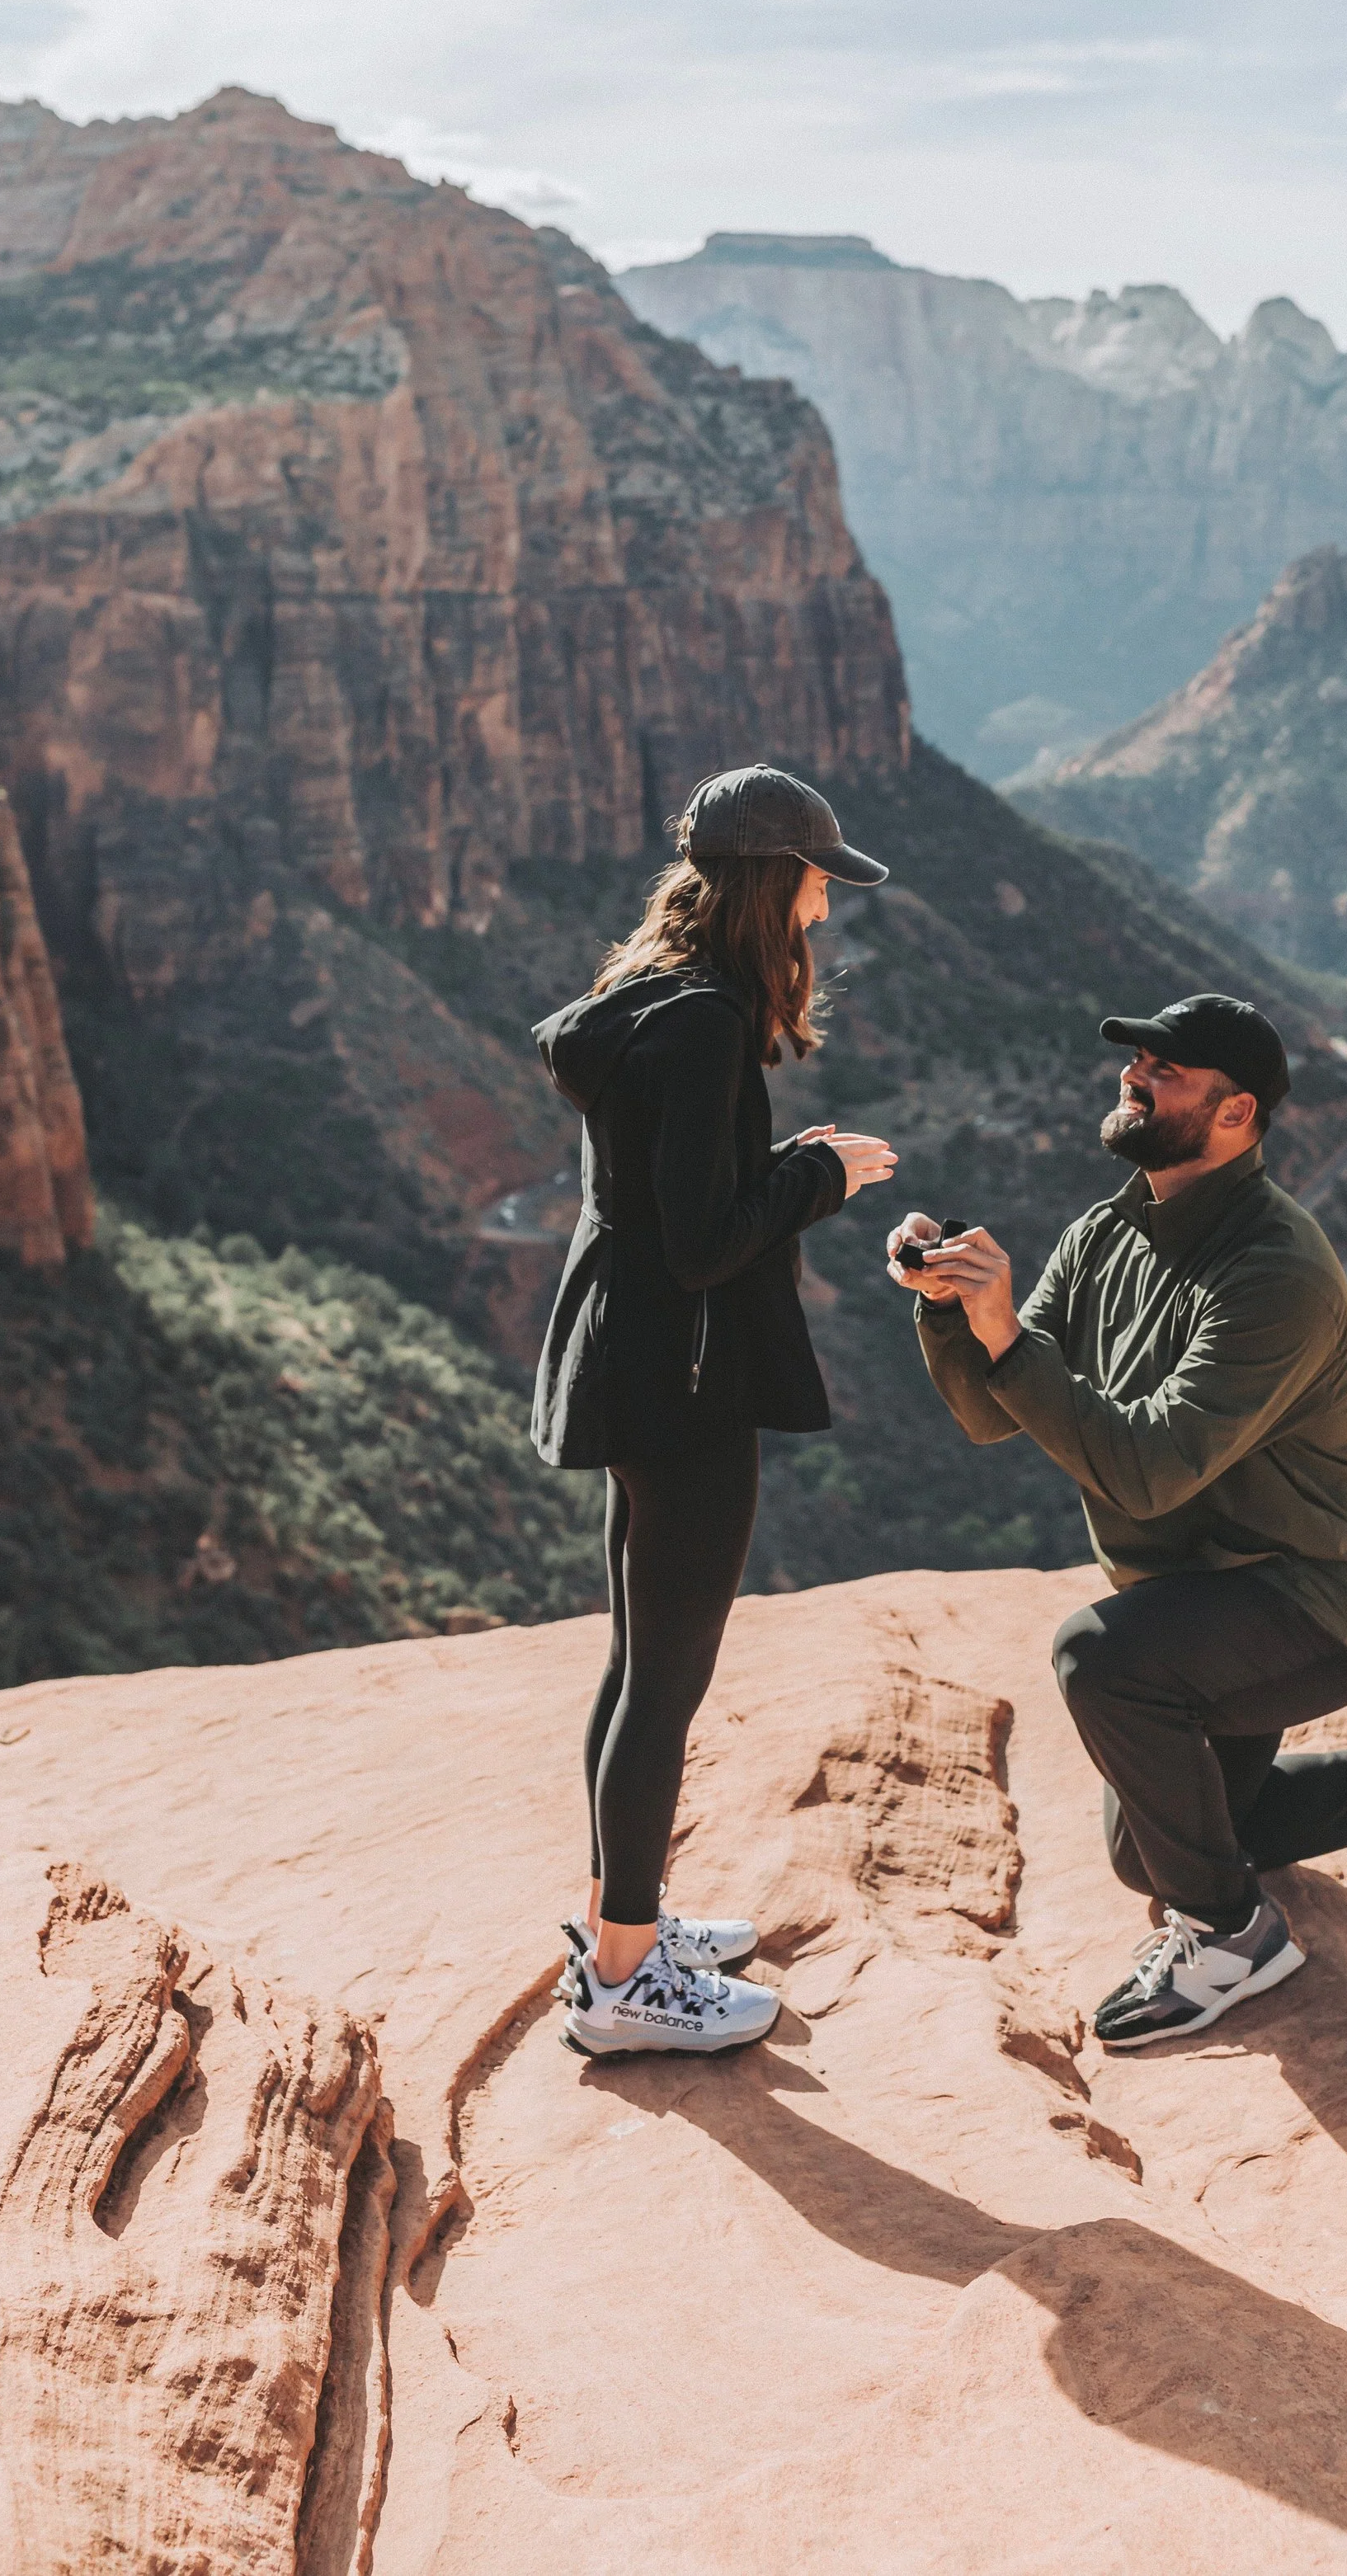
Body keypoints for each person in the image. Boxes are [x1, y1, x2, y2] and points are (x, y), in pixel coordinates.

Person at [889, 992, 1347, 2051]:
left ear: (1237, 1114)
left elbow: (1149, 1474)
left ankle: (1232, 1937)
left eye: (1165, 1071)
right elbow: (993, 1411)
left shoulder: (1277, 1270)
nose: (1133, 1076)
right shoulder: (1105, 1232)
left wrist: (1002, 1329)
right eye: (1135, 1060)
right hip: (1203, 1603)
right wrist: (950, 1311)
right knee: (1158, 1848)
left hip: (1313, 1597)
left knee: (1099, 1659)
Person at [533, 763, 897, 2059]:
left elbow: (669, 1210)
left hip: (629, 1364)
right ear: (766, 883)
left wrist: (782, 1165)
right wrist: (818, 1171)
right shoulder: (701, 1026)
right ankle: (626, 1985)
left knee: (637, 1665)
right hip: (683, 1381)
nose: (823, 907)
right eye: (814, 880)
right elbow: (703, 1242)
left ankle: (615, 1921)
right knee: (666, 1680)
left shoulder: (643, 999)